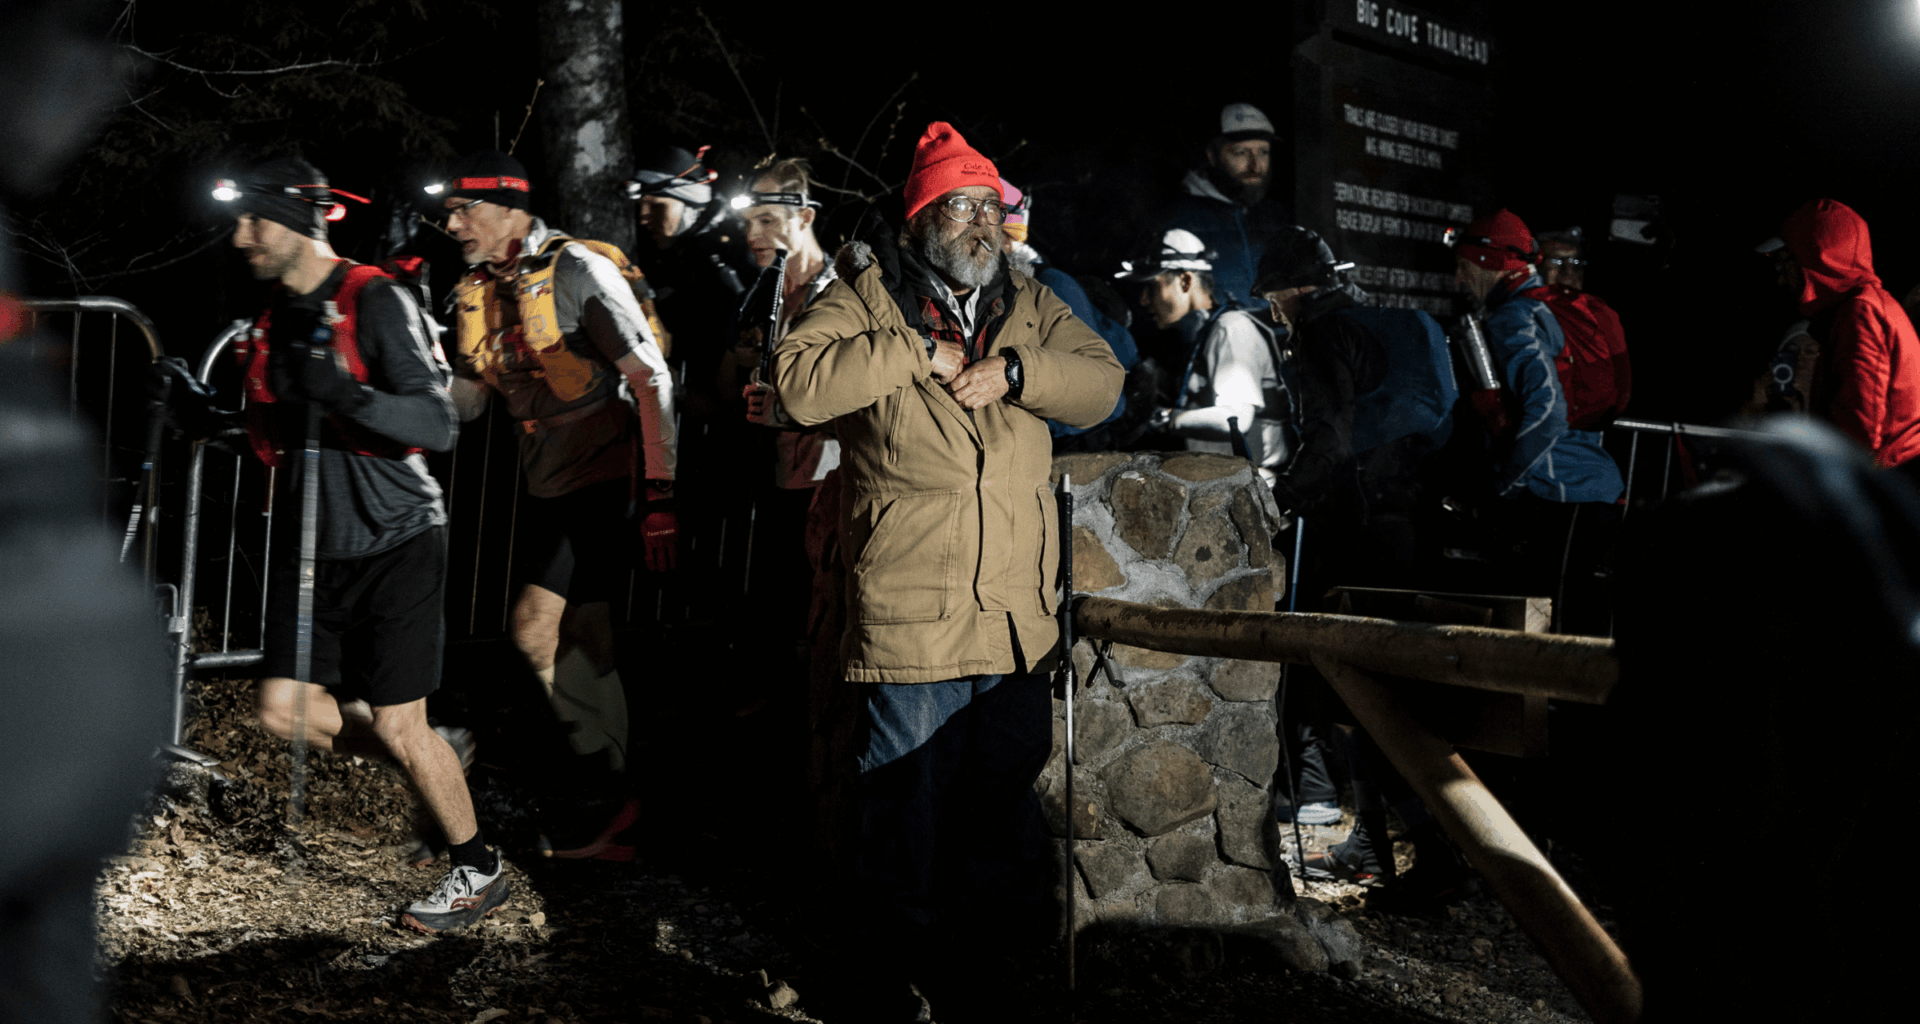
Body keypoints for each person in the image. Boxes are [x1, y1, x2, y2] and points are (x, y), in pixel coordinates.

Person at [772, 121, 1123, 1022]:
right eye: (962, 206)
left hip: (1015, 617)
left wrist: (1014, 370)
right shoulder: (866, 293)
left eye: (992, 208)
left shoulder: (1030, 299)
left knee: (999, 811)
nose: (982, 224)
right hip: (910, 609)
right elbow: (798, 387)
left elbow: (1102, 383)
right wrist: (914, 353)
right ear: (923, 216)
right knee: (899, 811)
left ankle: (982, 980)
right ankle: (881, 986)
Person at [182, 156, 505, 933]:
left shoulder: (373, 297)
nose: (240, 238)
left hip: (397, 539)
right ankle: (440, 750)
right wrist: (208, 421)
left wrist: (348, 394)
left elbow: (437, 425)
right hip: (313, 547)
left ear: (296, 220)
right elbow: (277, 436)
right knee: (285, 711)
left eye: (253, 220)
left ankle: (477, 870)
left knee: (399, 723)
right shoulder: (273, 316)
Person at [437, 150, 678, 861]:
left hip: (606, 475)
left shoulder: (577, 270)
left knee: (533, 628)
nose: (452, 224)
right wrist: (407, 373)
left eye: (463, 209)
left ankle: (605, 787)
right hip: (547, 479)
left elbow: (651, 377)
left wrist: (662, 493)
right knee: (590, 639)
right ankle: (619, 804)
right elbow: (472, 405)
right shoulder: (480, 288)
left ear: (511, 208)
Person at [1450, 209, 1622, 633]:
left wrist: (1506, 484)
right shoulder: (1545, 309)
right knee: (1576, 625)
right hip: (1591, 489)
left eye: (1462, 268)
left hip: (1560, 495)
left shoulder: (1515, 318)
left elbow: (1547, 410)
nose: (1459, 281)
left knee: (1555, 634)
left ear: (1487, 265)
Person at [1759, 198, 1920, 470]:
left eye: (1784, 263)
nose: (1781, 279)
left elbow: (1858, 426)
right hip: (1893, 474)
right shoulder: (1860, 309)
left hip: (1892, 476)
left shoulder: (1861, 312)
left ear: (1816, 254)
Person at [1122, 228, 1291, 484]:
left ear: (1186, 281)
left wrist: (1168, 418)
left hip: (1256, 489)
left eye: (1151, 287)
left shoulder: (1230, 328)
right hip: (1226, 486)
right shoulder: (1205, 333)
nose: (1144, 300)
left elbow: (1236, 419)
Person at [998, 178, 1142, 450]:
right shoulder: (1004, 287)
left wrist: (1034, 423)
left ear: (1007, 234)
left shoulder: (1050, 285)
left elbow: (1102, 393)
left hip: (1075, 448)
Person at [1162, 102, 1293, 309]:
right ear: (1212, 156)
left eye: (1263, 153)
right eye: (1241, 153)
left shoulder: (1277, 217)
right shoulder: (1179, 217)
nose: (1255, 166)